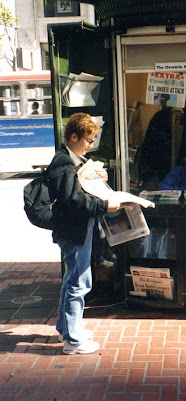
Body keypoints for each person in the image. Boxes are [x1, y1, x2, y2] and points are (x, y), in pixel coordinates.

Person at [47, 112, 121, 355]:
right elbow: (73, 199)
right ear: (74, 136)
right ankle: (73, 340)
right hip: (73, 230)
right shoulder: (63, 163)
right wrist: (103, 205)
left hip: (76, 229)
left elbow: (78, 189)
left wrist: (98, 177)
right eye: (88, 140)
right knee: (79, 281)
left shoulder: (73, 160)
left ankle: (66, 329)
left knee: (73, 279)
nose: (90, 146)